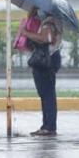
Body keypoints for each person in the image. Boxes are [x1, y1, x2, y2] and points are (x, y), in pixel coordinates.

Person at [19, 8, 62, 136]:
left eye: (38, 9)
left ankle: (49, 127)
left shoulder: (49, 23)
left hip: (46, 60)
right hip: (48, 59)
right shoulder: (52, 22)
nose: (37, 12)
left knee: (47, 94)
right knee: (45, 94)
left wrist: (25, 33)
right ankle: (47, 126)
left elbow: (45, 39)